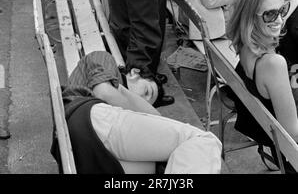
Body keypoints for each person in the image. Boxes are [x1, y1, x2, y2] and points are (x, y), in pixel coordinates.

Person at [51, 50, 222, 174]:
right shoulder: (104, 59)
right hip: (85, 118)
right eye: (147, 92)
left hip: (84, 151)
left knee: (160, 163)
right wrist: (128, 95)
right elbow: (104, 92)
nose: (143, 102)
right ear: (134, 73)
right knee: (204, 140)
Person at [226, 0, 298, 171]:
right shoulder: (274, 64)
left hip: (265, 130)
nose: (280, 19)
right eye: (270, 14)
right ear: (251, 15)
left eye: (282, 10)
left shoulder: (246, 42)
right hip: (290, 155)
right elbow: (293, 134)